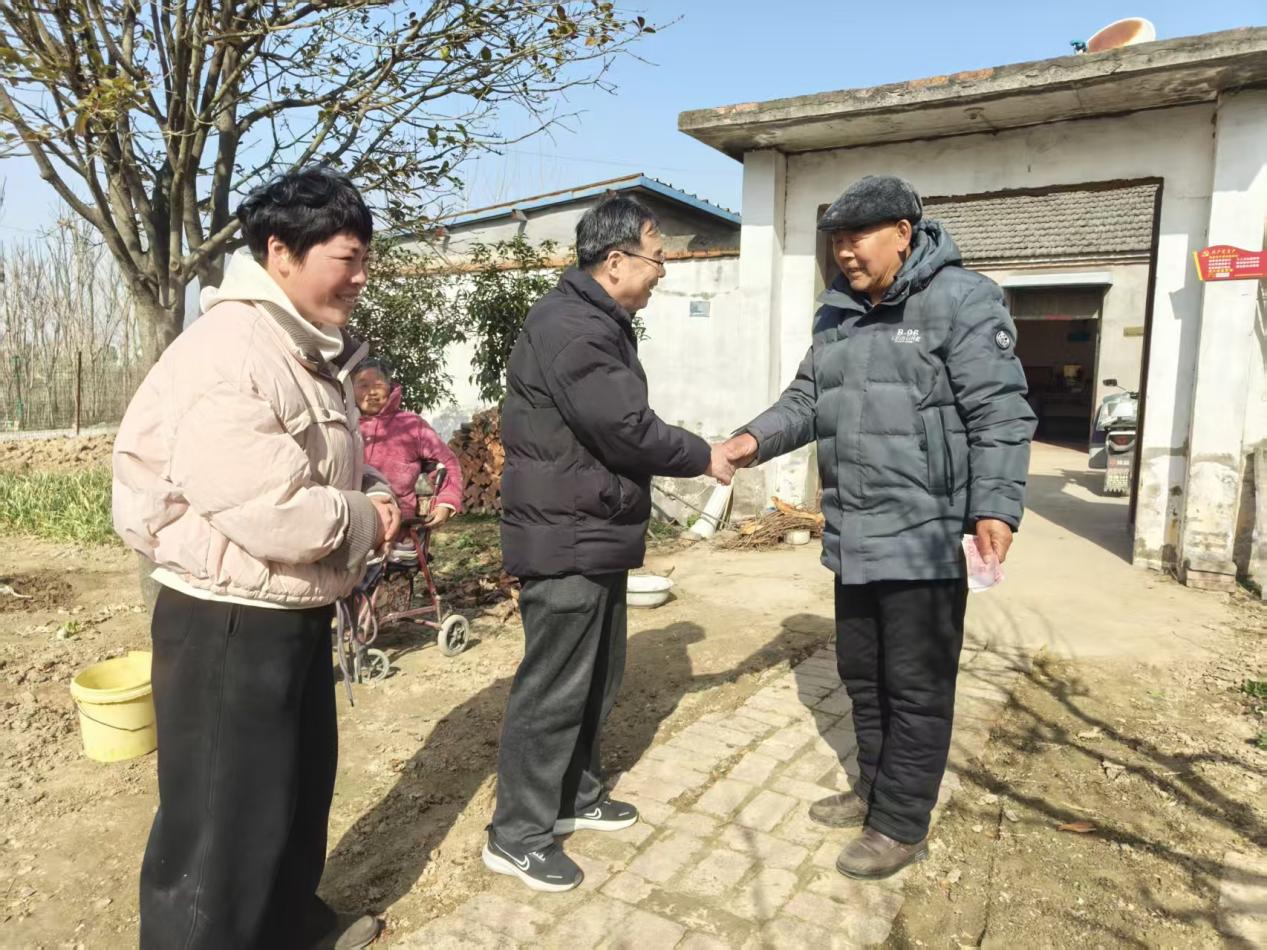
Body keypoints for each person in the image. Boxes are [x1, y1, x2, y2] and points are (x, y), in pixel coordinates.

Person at [718, 175, 1036, 880]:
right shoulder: (835, 313)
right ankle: (873, 787)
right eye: (836, 239)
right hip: (854, 533)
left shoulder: (962, 300)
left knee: (916, 685)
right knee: (862, 676)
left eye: (856, 237)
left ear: (902, 232)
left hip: (927, 532)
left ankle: (900, 822)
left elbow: (1001, 411)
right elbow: (807, 399)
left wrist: (994, 505)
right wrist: (750, 440)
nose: (844, 252)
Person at [112, 167, 397, 949]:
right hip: (227, 623)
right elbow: (271, 509)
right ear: (280, 251)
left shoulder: (296, 346)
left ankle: (287, 927)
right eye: (347, 258)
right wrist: (367, 517)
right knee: (218, 829)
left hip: (286, 605)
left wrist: (369, 487)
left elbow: (317, 464)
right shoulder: (230, 353)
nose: (360, 277)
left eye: (364, 259)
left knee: (291, 796)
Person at [485, 195, 734, 891]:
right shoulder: (572, 326)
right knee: (555, 687)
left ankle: (573, 795)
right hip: (565, 533)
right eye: (657, 258)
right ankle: (516, 835)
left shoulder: (595, 321)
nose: (663, 272)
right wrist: (703, 454)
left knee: (595, 676)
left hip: (592, 527)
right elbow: (624, 428)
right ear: (616, 260)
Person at [354, 357, 464, 543]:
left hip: (399, 529)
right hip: (349, 525)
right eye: (363, 385)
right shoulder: (341, 424)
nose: (371, 392)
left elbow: (446, 462)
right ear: (350, 388)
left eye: (378, 385)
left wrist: (446, 501)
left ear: (389, 386)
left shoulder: (411, 425)